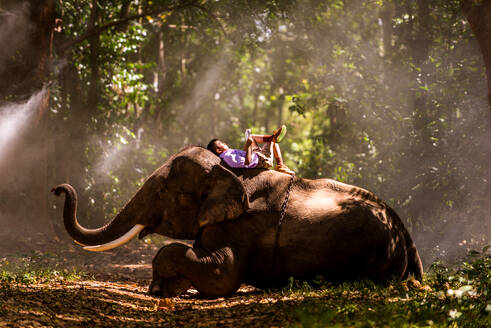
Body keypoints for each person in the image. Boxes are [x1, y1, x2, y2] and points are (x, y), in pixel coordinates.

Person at [206, 125, 295, 175]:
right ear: (218, 150)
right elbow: (247, 162)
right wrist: (248, 145)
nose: (224, 143)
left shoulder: (228, 153)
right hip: (262, 160)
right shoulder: (228, 156)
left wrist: (248, 143)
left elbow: (245, 154)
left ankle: (272, 137)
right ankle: (280, 165)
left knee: (251, 137)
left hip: (256, 154)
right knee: (273, 142)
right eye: (221, 143)